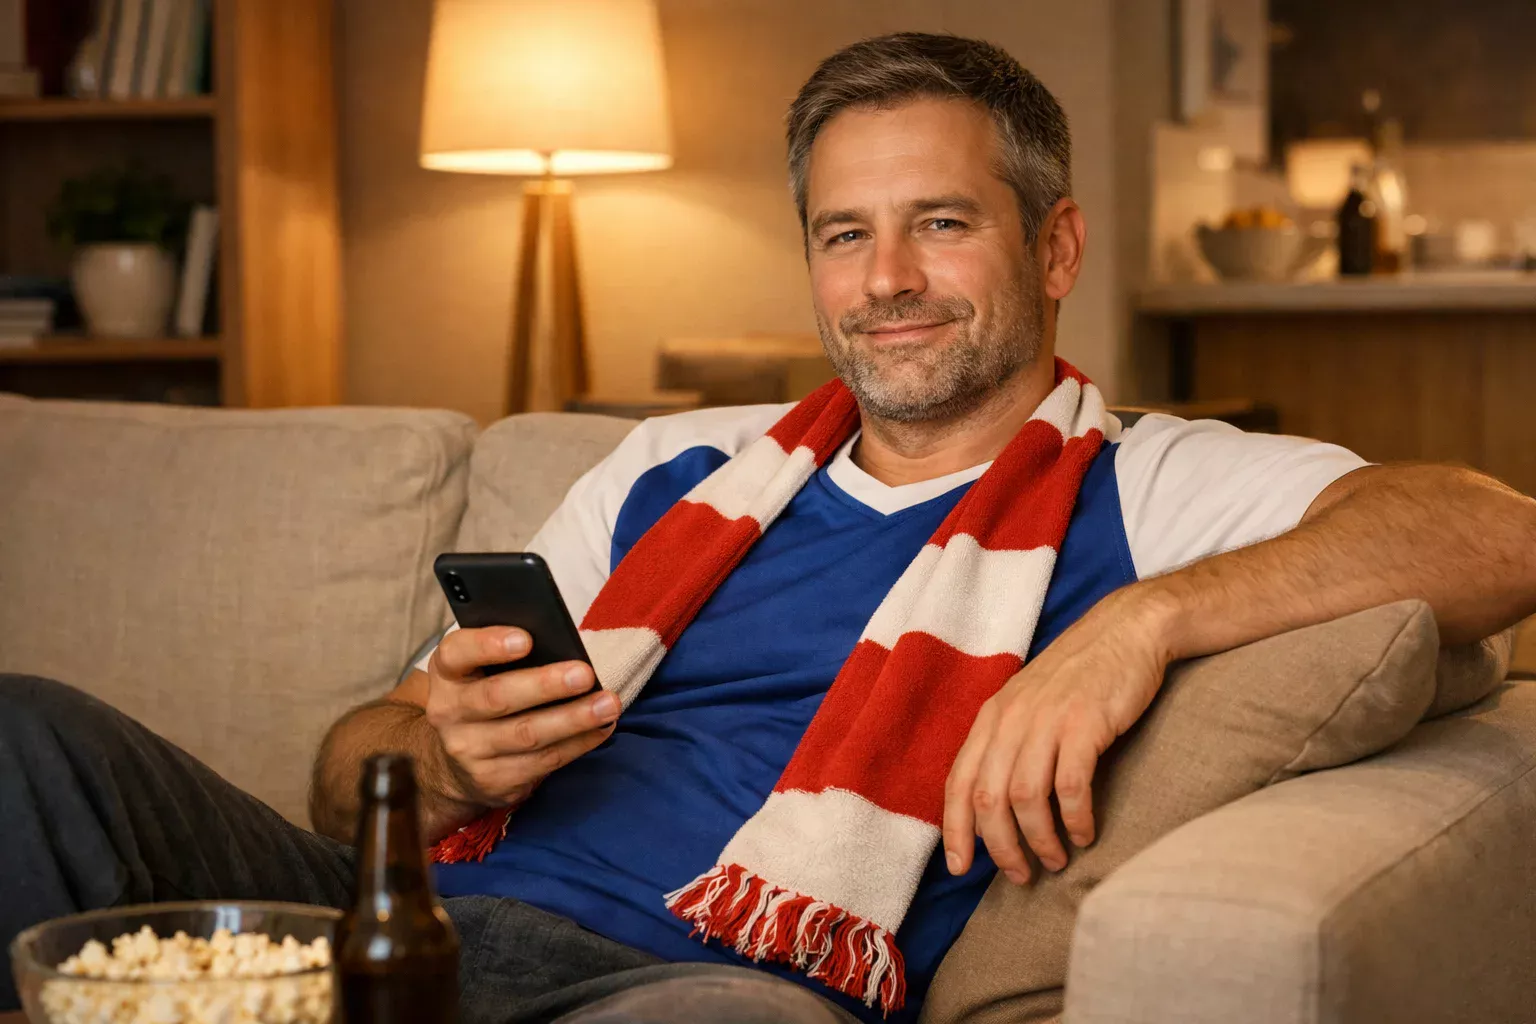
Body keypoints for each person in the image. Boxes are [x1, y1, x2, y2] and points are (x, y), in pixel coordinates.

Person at [4, 30, 1535, 1024]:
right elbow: (355, 774)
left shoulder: (1147, 486)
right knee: (28, 739)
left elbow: (1493, 535)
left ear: (1054, 243)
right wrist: (442, 756)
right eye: (845, 234)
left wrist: (1140, 621)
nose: (888, 281)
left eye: (942, 222)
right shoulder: (676, 469)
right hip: (398, 917)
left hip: (679, 982)